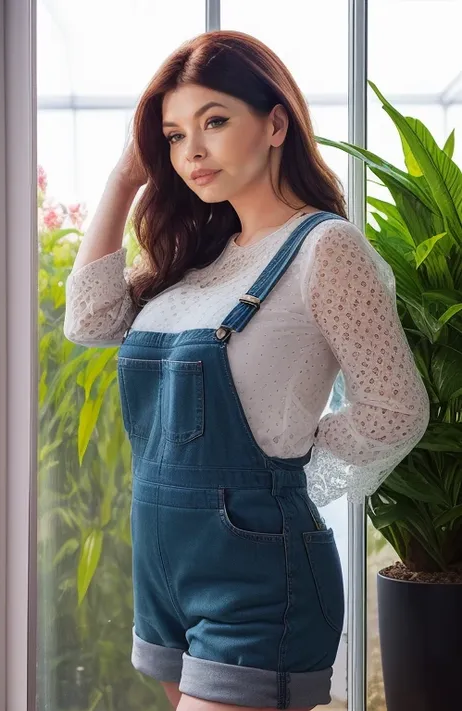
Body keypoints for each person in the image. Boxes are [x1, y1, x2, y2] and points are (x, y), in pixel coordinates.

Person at [63, 30, 430, 711]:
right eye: (173, 135)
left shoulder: (327, 248)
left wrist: (285, 464)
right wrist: (122, 178)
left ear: (275, 123)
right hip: (162, 573)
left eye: (214, 122)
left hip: (260, 580)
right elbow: (90, 321)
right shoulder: (195, 256)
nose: (191, 152)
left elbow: (396, 407)